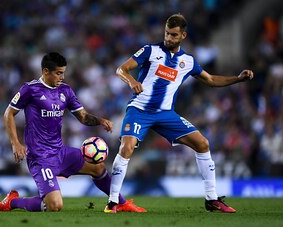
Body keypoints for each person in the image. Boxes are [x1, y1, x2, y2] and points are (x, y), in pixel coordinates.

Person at [104, 14, 254, 213]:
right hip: (140, 110)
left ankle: (212, 199)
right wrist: (132, 81)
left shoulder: (188, 61)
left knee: (202, 143)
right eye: (167, 33)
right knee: (127, 147)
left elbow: (210, 80)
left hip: (166, 114)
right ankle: (113, 202)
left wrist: (237, 79)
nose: (168, 38)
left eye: (174, 35)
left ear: (183, 35)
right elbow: (121, 69)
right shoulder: (150, 51)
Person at [0, 52, 146, 212]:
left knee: (98, 167)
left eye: (63, 72)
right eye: (58, 73)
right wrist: (16, 143)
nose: (62, 77)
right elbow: (8, 113)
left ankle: (120, 203)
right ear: (46, 71)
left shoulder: (65, 91)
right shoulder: (30, 90)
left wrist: (100, 121)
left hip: (60, 152)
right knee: (54, 206)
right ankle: (12, 202)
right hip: (40, 158)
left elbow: (83, 117)